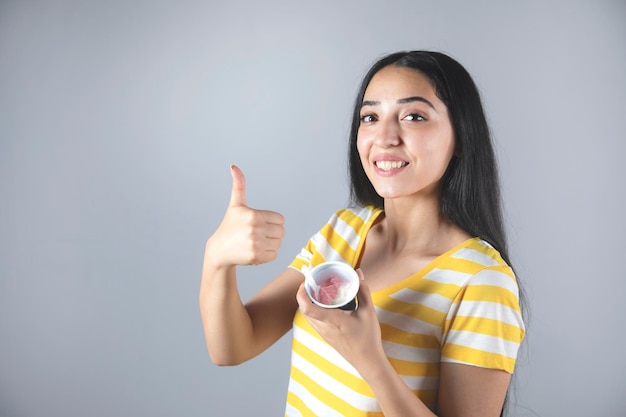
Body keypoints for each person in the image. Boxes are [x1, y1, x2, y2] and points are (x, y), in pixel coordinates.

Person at [200, 50, 526, 417]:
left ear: (462, 137)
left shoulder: (483, 282)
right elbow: (231, 348)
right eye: (370, 117)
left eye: (413, 116)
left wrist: (368, 358)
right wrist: (217, 260)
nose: (384, 137)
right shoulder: (343, 231)